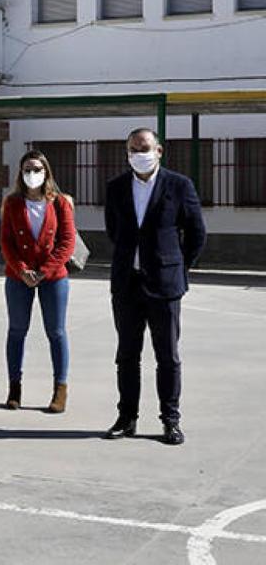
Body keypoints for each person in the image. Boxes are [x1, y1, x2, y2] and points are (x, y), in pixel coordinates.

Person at [103, 128, 206, 445]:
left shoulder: (179, 185)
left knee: (168, 356)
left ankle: (170, 420)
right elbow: (113, 231)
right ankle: (127, 417)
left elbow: (196, 233)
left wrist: (176, 267)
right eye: (133, 149)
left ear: (159, 150)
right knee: (127, 355)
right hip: (127, 285)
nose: (139, 153)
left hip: (165, 285)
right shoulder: (116, 187)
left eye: (144, 147)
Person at [0, 150, 75, 413]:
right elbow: (6, 241)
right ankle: (14, 388)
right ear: (20, 173)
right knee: (17, 331)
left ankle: (60, 390)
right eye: (27, 169)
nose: (32, 174)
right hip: (18, 277)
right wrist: (21, 270)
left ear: (46, 172)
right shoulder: (12, 203)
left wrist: (44, 271)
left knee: (56, 332)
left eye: (37, 169)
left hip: (53, 277)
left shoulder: (61, 203)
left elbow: (67, 242)